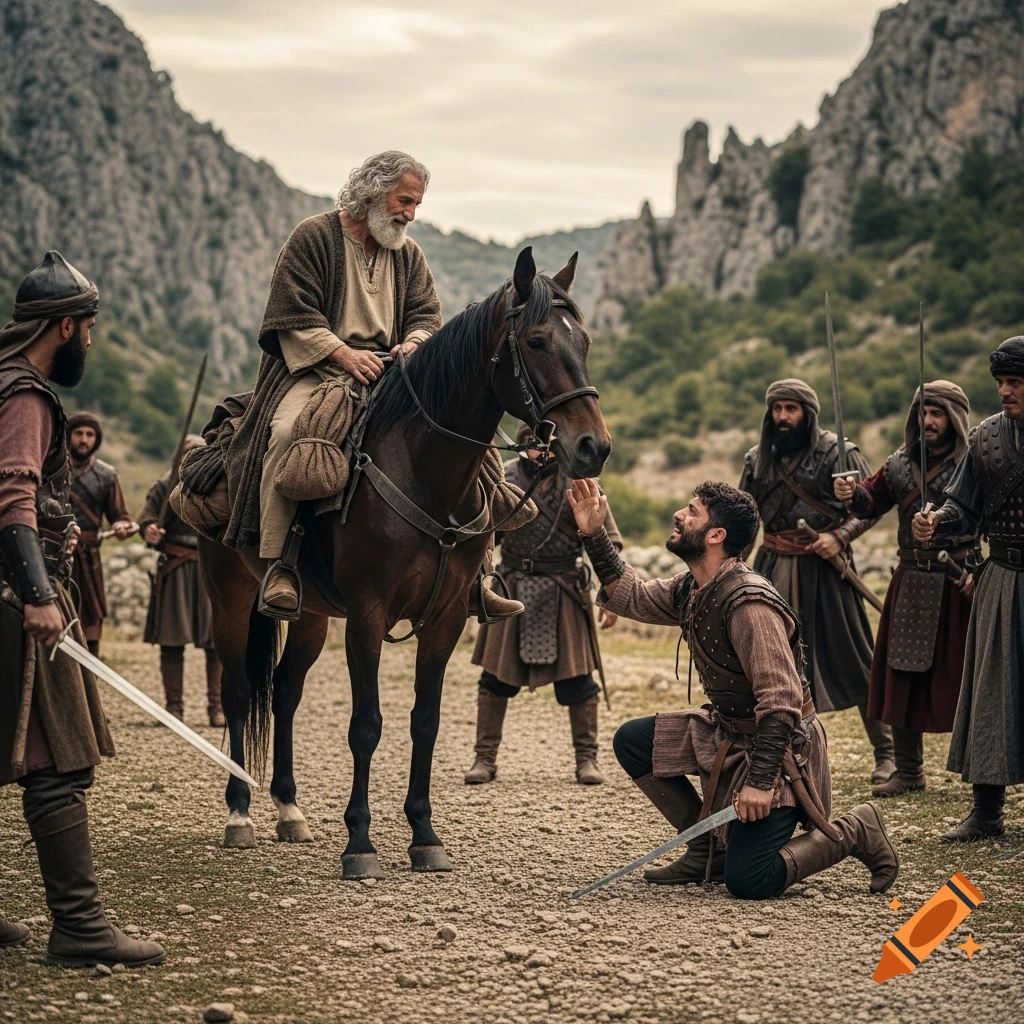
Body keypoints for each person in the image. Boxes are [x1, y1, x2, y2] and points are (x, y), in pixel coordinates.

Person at [219, 150, 520, 623]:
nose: (410, 214)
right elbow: (291, 315)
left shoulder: (409, 254)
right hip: (315, 371)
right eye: (404, 201)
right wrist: (342, 353)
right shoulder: (313, 237)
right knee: (286, 433)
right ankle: (281, 565)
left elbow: (426, 316)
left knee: (463, 447)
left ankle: (476, 576)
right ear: (373, 191)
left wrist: (416, 344)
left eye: (416, 205)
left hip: (393, 376)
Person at [567, 478, 898, 898]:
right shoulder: (693, 586)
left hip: (779, 752)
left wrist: (760, 782)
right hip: (728, 733)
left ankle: (854, 830)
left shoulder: (749, 604)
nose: (679, 515)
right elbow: (631, 597)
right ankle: (708, 850)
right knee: (634, 741)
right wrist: (594, 536)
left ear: (715, 535)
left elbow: (781, 704)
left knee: (750, 881)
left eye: (691, 511)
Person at [0, 251, 164, 964]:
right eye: (89, 330)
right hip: (17, 597)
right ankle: (80, 928)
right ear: (65, 326)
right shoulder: (27, 395)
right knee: (57, 760)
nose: (91, 343)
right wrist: (38, 595)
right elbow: (12, 501)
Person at [739, 379, 894, 784]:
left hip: (825, 570)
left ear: (809, 412)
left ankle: (888, 754)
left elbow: (871, 506)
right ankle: (767, 758)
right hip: (770, 569)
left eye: (792, 409)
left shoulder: (839, 454)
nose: (784, 417)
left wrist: (839, 537)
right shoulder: (757, 459)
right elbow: (743, 518)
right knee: (766, 665)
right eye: (777, 409)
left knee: (857, 659)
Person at [834, 382, 977, 797]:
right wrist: (850, 494)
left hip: (960, 580)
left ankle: (984, 774)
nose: (929, 421)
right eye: (923, 412)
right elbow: (870, 503)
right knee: (901, 676)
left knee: (972, 676)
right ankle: (909, 771)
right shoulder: (899, 464)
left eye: (938, 413)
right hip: (912, 579)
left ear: (956, 417)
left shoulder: (973, 463)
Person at [465, 422, 622, 786]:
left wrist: (611, 596)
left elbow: (607, 541)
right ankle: (484, 758)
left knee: (579, 683)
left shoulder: (581, 483)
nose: (542, 451)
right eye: (534, 444)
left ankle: (587, 760)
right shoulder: (502, 479)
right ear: (522, 446)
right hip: (512, 587)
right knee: (495, 680)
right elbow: (482, 536)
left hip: (565, 588)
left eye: (548, 443)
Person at [913, 338, 1024, 841]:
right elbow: (963, 505)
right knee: (991, 692)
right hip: (1001, 579)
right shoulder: (984, 440)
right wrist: (935, 519)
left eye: (1015, 382)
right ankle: (986, 813)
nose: (1005, 391)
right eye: (1001, 382)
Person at [139, 436, 224, 727]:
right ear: (179, 457)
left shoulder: (217, 484)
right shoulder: (164, 487)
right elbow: (147, 520)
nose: (193, 457)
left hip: (209, 571)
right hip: (174, 569)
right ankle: (174, 708)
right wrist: (150, 530)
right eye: (188, 452)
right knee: (171, 642)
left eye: (199, 452)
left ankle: (217, 709)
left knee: (216, 643)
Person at [66, 411, 136, 656]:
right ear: (68, 436)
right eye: (78, 433)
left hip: (88, 555)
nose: (84, 439)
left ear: (96, 439)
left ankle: (89, 683)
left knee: (90, 621)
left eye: (89, 434)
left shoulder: (107, 475)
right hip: (53, 555)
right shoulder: (50, 470)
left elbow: (121, 517)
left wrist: (121, 527)